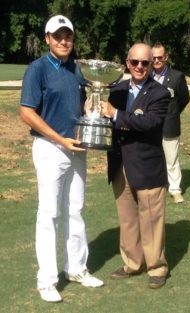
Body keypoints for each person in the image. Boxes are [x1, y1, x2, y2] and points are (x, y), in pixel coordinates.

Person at [20, 15, 103, 303]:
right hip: (50, 148)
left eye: (67, 35)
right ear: (47, 39)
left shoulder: (77, 70)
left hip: (76, 149)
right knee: (49, 214)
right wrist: (59, 139)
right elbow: (27, 113)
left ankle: (76, 268)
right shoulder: (38, 69)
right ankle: (47, 280)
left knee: (75, 210)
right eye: (57, 36)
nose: (63, 40)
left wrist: (94, 109)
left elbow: (84, 105)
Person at [101, 43, 170, 289]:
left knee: (151, 219)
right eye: (134, 62)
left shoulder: (160, 93)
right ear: (127, 63)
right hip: (119, 165)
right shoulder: (116, 89)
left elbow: (150, 123)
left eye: (145, 63)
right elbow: (105, 119)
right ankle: (132, 262)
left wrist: (116, 115)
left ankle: (156, 267)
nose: (139, 67)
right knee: (127, 219)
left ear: (152, 64)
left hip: (147, 167)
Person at [151, 42, 190, 203]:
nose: (157, 61)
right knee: (152, 157)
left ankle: (175, 189)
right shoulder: (146, 75)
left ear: (166, 57)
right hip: (150, 125)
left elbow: (184, 99)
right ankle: (154, 186)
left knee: (171, 159)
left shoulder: (177, 76)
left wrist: (173, 113)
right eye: (154, 58)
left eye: (160, 57)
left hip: (170, 124)